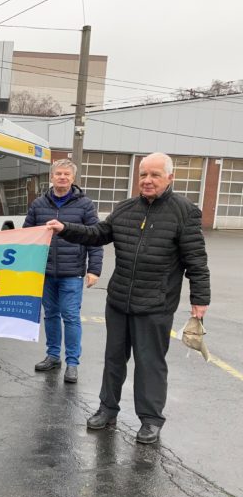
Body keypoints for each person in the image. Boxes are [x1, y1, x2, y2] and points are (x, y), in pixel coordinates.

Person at [46, 152, 210, 444]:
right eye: (143, 174)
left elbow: (196, 260)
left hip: (156, 305)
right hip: (119, 301)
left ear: (169, 178)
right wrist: (65, 228)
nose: (147, 180)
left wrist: (200, 301)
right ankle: (107, 409)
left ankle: (150, 419)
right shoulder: (125, 209)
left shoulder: (185, 212)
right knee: (113, 359)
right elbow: (97, 233)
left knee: (150, 363)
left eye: (154, 175)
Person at [23, 159, 103, 384]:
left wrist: (94, 269)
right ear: (51, 177)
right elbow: (27, 237)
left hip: (72, 272)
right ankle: (53, 355)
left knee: (70, 317)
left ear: (73, 178)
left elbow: (94, 237)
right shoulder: (39, 205)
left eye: (66, 174)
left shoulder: (85, 205)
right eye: (58, 173)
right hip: (46, 272)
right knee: (50, 315)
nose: (62, 177)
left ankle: (73, 363)